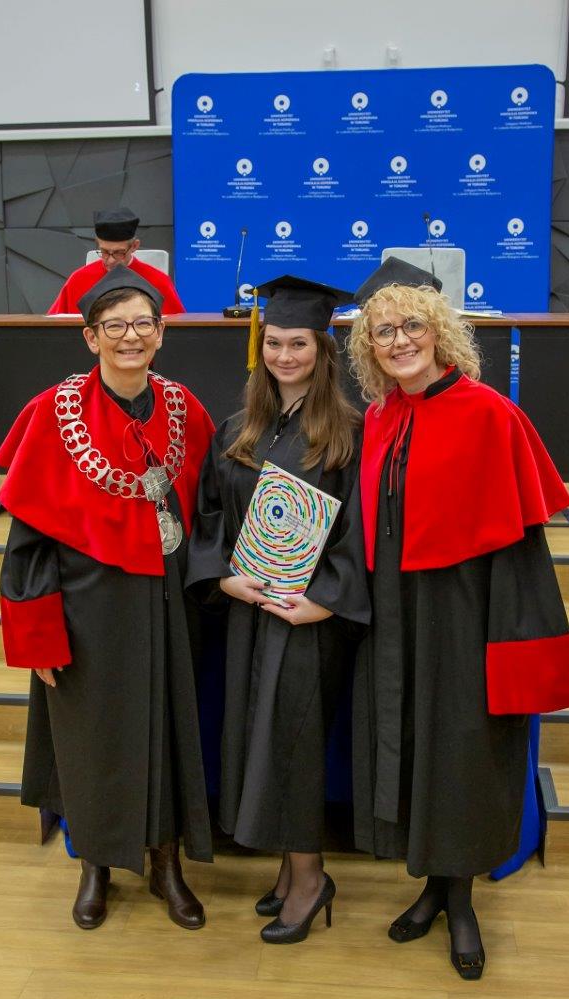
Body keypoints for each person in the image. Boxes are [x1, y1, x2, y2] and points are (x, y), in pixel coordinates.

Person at [348, 258, 569, 979]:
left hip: (466, 612)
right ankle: (431, 884)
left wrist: (509, 638)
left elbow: (520, 548)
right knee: (414, 745)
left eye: (411, 325)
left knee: (462, 750)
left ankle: (461, 900)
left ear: (440, 332)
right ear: (368, 349)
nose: (399, 340)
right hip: (397, 611)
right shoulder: (381, 418)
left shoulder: (490, 414)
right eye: (383, 331)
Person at [0, 264, 212, 930]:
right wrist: (36, 635)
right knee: (89, 739)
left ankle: (166, 863)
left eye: (142, 324)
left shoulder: (184, 407)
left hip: (168, 601)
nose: (130, 337)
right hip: (85, 609)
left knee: (170, 728)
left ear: (161, 333)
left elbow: (211, 506)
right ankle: (94, 864)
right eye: (113, 326)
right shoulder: (52, 412)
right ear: (90, 337)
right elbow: (27, 541)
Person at [186, 276, 370, 944]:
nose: (284, 356)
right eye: (275, 343)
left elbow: (361, 533)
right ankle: (291, 872)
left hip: (306, 618)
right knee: (257, 738)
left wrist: (324, 600)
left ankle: (311, 877)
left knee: (292, 740)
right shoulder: (240, 429)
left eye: (299, 344)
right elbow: (209, 515)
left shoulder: (350, 434)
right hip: (249, 610)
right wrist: (223, 578)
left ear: (323, 351)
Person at [48, 207, 185, 315]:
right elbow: (53, 325)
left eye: (119, 253)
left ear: (134, 246)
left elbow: (178, 328)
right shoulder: (78, 280)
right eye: (104, 252)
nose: (111, 260)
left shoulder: (158, 281)